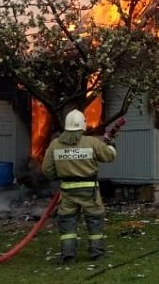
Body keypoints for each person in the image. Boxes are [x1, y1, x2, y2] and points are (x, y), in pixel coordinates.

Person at [42, 109, 117, 264]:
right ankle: (97, 253)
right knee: (94, 220)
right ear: (83, 124)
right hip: (89, 191)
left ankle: (68, 255)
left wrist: (61, 174)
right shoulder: (91, 142)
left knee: (68, 222)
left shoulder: (55, 145)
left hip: (67, 191)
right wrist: (110, 144)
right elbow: (109, 156)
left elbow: (47, 170)